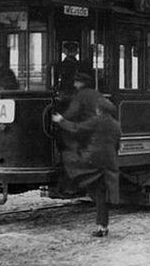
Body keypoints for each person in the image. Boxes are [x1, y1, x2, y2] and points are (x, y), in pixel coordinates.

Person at [52, 97, 121, 237]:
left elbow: (76, 128)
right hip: (110, 161)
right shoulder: (116, 124)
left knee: (67, 157)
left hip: (92, 160)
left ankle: (69, 186)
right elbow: (117, 145)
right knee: (100, 193)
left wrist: (60, 121)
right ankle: (102, 226)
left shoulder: (96, 120)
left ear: (99, 110)